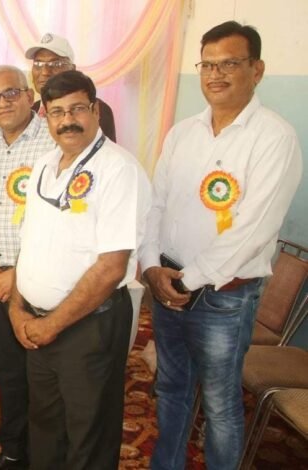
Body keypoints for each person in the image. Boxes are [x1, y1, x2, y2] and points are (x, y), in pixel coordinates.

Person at [140, 21, 302, 470]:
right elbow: (156, 205)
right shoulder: (182, 133)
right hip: (167, 285)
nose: (215, 74)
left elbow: (253, 229)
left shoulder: (274, 138)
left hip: (222, 298)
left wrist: (185, 282)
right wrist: (151, 266)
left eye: (229, 63)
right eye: (207, 64)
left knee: (219, 404)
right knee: (171, 389)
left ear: (257, 70)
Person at [11, 71, 150, 469]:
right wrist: (17, 308)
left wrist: (51, 325)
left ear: (95, 110)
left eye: (77, 109)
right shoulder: (44, 165)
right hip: (37, 324)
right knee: (45, 429)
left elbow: (111, 267)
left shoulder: (119, 169)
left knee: (88, 436)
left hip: (88, 327)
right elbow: (28, 244)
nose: (67, 120)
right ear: (45, 116)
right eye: (57, 112)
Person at [0, 65, 56, 470]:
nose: (2, 103)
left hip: (38, 281)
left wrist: (16, 275)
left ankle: (42, 457)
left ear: (29, 95)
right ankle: (12, 453)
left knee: (42, 377)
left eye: (10, 93)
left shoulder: (52, 144)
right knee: (7, 373)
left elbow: (58, 221)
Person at [24, 32, 117, 141]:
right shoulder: (29, 111)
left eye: (56, 64)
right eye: (38, 64)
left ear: (72, 69)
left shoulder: (94, 109)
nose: (45, 72)